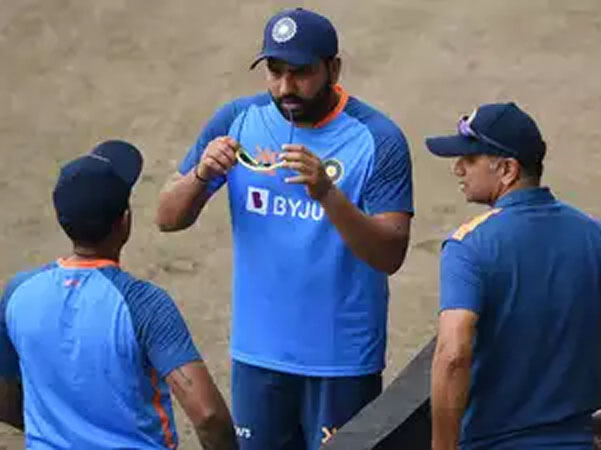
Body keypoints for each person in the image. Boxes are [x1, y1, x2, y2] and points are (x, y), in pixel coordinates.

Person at [155, 7, 413, 450]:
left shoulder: (377, 139)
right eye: (275, 71)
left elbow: (391, 253)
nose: (285, 87)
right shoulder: (237, 121)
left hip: (341, 362)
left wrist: (327, 194)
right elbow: (167, 217)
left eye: (301, 73)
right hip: (258, 359)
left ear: (333, 69)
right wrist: (200, 174)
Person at [424, 102, 601, 450]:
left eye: (469, 159)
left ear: (507, 169)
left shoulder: (467, 246)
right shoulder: (591, 234)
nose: (458, 169)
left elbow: (453, 355)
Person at [0, 140, 237, 450]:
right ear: (125, 222)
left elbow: (5, 405)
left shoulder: (19, 292)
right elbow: (209, 416)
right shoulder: (144, 305)